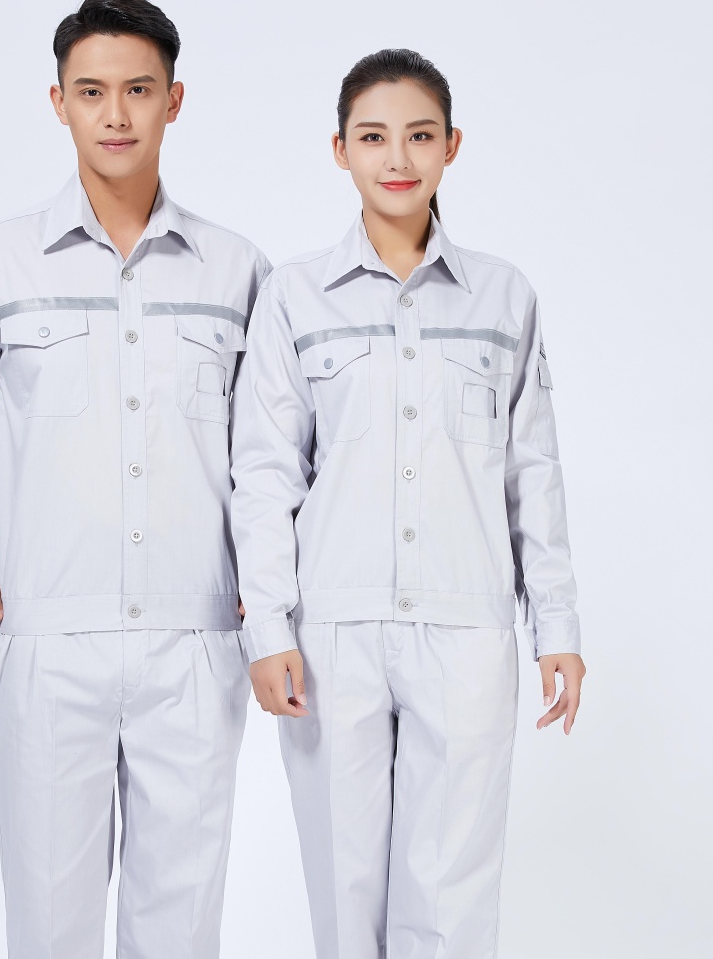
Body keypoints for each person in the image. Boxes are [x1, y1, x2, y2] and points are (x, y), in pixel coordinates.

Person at [0, 0, 268, 959]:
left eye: (139, 90)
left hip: (196, 643)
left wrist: (268, 585)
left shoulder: (237, 271)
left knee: (179, 932)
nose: (116, 114)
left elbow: (275, 453)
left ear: (174, 100)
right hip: (47, 643)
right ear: (58, 101)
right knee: (48, 928)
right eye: (93, 91)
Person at [230, 48, 586, 959]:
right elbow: (265, 473)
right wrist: (267, 627)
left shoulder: (505, 297)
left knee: (451, 898)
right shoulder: (294, 297)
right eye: (374, 137)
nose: (398, 158)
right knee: (344, 892)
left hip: (467, 632)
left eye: (420, 136)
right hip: (332, 634)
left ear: (452, 146)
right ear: (340, 150)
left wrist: (557, 627)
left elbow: (533, 470)